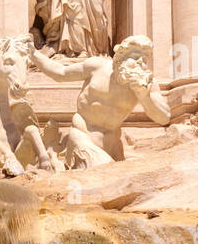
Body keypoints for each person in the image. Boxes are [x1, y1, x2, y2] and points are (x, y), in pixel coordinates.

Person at [31, 35, 171, 168]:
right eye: (135, 57)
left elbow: (164, 118)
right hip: (83, 136)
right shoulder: (97, 67)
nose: (140, 62)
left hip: (113, 144)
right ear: (121, 57)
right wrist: (33, 54)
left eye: (144, 59)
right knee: (101, 168)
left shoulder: (146, 84)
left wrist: (144, 95)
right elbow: (60, 73)